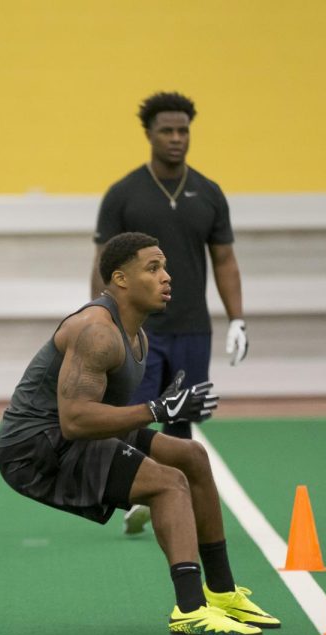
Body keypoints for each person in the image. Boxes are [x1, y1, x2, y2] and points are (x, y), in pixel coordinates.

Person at [0, 232, 280, 635]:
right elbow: (75, 420)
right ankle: (190, 611)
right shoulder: (95, 332)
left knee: (192, 456)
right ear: (120, 279)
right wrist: (155, 410)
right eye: (153, 268)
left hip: (68, 436)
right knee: (168, 483)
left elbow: (103, 417)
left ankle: (221, 593)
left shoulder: (137, 335)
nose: (166, 277)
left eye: (164, 267)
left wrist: (165, 406)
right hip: (34, 449)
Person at [91, 91, 248, 535]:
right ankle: (139, 491)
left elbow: (224, 260)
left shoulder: (209, 193)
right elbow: (103, 264)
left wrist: (237, 317)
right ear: (149, 134)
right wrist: (104, 321)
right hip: (140, 331)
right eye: (167, 131)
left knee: (183, 416)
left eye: (183, 131)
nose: (177, 139)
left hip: (192, 329)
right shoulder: (124, 194)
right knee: (136, 413)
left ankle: (180, 494)